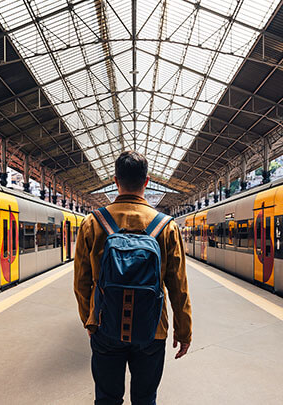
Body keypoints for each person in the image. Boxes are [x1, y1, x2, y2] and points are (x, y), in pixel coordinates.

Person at [74, 151, 192, 405]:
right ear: (146, 181)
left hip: (105, 325)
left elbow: (81, 283)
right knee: (145, 398)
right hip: (152, 329)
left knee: (107, 398)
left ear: (116, 181)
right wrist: (184, 331)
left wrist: (90, 320)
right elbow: (178, 286)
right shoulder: (167, 226)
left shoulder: (92, 223)